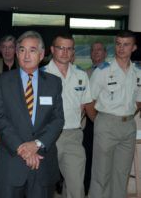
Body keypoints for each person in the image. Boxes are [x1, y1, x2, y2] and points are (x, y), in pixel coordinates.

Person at [0, 30, 64, 198]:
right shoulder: (1, 82)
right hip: (11, 164)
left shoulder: (53, 83)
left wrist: (37, 144)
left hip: (43, 163)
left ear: (41, 54)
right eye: (22, 50)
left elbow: (58, 119)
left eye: (32, 50)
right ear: (16, 53)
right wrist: (23, 149)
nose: (26, 55)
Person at [89, 30, 141, 198]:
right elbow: (89, 100)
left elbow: (138, 101)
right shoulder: (102, 70)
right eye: (118, 44)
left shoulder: (138, 72)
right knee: (101, 175)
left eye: (126, 44)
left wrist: (127, 114)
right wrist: (98, 121)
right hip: (106, 124)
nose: (121, 48)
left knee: (121, 175)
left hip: (128, 125)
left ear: (134, 48)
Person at [41, 33, 93, 198]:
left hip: (73, 136)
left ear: (73, 52)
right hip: (47, 136)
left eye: (69, 48)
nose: (64, 52)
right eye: (60, 48)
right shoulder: (40, 75)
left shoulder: (81, 75)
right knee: (43, 186)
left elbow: (84, 105)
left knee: (76, 187)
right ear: (52, 50)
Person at [83, 41, 107, 195]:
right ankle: (86, 188)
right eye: (93, 50)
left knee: (103, 160)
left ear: (105, 53)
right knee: (87, 156)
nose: (96, 53)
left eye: (99, 50)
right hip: (88, 122)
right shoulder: (84, 74)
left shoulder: (110, 72)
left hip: (105, 121)